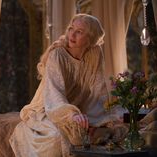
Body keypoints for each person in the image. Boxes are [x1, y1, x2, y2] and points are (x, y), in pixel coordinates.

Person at [9, 13, 125, 157]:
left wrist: (107, 116)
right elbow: (54, 92)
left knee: (109, 133)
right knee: (57, 138)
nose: (72, 34)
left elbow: (98, 89)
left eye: (79, 32)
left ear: (91, 39)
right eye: (71, 28)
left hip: (77, 107)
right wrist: (71, 115)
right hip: (50, 108)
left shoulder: (95, 52)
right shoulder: (57, 55)